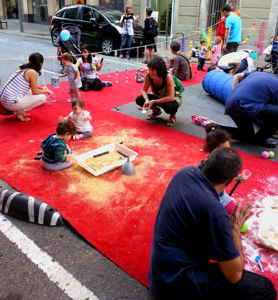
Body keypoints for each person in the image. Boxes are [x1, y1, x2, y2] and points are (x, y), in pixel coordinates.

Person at [148, 147, 277, 300]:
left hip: (159, 273)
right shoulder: (216, 213)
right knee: (266, 289)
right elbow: (234, 275)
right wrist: (234, 229)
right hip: (175, 284)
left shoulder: (184, 173)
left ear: (206, 161)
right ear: (230, 181)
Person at [198, 123, 247, 215]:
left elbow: (225, 177)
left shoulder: (224, 161)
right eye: (223, 149)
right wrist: (232, 179)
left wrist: (237, 178)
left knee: (237, 215)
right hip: (209, 197)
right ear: (212, 150)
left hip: (219, 193)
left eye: (228, 147)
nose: (228, 152)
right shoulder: (206, 166)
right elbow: (210, 187)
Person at [219, 72, 278, 148]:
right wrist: (272, 129)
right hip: (246, 107)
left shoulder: (260, 73)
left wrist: (233, 93)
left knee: (247, 135)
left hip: (230, 104)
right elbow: (271, 117)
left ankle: (217, 130)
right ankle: (259, 139)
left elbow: (237, 75)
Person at [0, 52, 53, 121]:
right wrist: (47, 91)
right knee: (42, 98)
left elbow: (31, 85)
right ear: (41, 64)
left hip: (3, 99)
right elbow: (35, 91)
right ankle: (19, 112)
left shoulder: (23, 69)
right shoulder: (32, 72)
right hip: (10, 102)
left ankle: (18, 111)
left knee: (33, 91)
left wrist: (41, 88)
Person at [136, 57, 184, 127]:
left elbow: (171, 97)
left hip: (171, 98)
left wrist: (152, 102)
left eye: (153, 69)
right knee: (139, 99)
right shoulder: (148, 75)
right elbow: (143, 90)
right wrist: (146, 100)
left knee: (171, 107)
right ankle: (156, 111)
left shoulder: (168, 76)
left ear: (159, 70)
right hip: (157, 96)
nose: (150, 72)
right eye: (149, 69)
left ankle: (172, 115)